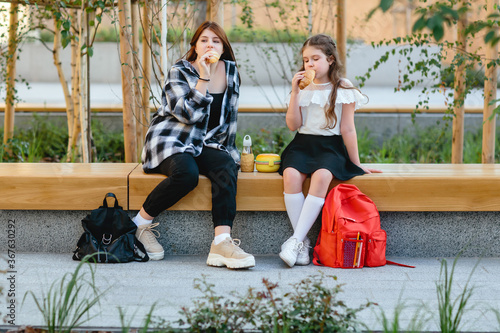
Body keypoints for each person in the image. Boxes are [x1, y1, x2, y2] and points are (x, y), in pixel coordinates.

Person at [134, 21, 255, 269]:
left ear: (223, 47)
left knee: (225, 167)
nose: (210, 44)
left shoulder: (230, 71)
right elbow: (187, 116)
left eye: (216, 41)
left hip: (207, 143)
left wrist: (227, 152)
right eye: (204, 40)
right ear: (195, 46)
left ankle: (221, 243)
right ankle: (139, 225)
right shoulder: (179, 71)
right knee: (186, 175)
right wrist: (203, 77)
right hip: (172, 138)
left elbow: (228, 118)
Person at [278, 34, 382, 268]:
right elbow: (293, 125)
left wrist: (356, 164)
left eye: (316, 58)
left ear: (331, 59)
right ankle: (302, 243)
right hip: (302, 144)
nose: (310, 64)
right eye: (306, 60)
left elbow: (348, 129)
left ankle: (295, 241)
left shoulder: (342, 87)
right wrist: (295, 93)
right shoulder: (302, 88)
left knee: (322, 175)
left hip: (329, 147)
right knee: (291, 175)